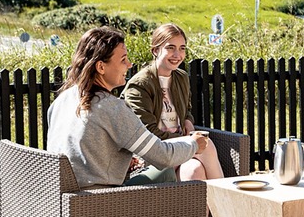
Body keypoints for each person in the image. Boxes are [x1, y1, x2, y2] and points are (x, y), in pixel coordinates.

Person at [47, 26, 209, 189]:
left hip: (63, 196)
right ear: (101, 67)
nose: (129, 64)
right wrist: (194, 144)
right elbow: (162, 156)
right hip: (101, 200)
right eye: (123, 59)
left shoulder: (63, 99)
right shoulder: (111, 107)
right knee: (166, 171)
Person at [121, 23, 224, 182]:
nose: (177, 54)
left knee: (194, 171)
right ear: (155, 50)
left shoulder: (181, 77)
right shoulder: (140, 85)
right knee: (206, 145)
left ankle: (204, 207)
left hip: (180, 147)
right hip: (154, 153)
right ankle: (227, 203)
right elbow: (147, 132)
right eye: (170, 48)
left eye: (182, 48)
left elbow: (185, 109)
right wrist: (184, 142)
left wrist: (188, 120)